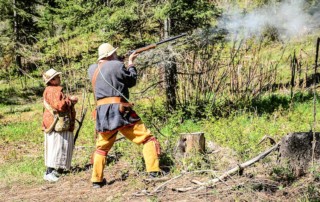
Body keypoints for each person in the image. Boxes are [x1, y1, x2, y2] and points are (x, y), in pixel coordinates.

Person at [88, 43, 164, 188]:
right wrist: (130, 63)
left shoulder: (92, 69)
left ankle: (96, 180)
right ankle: (154, 171)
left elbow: (109, 73)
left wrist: (120, 61)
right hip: (120, 110)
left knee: (101, 148)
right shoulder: (117, 65)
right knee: (147, 138)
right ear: (111, 55)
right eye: (114, 54)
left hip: (103, 114)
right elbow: (131, 81)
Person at [42, 68, 78, 182]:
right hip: (56, 123)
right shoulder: (53, 90)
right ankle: (49, 172)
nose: (59, 78)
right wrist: (70, 101)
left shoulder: (52, 89)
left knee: (57, 146)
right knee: (55, 147)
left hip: (56, 123)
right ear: (52, 80)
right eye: (57, 77)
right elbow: (60, 106)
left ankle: (55, 171)